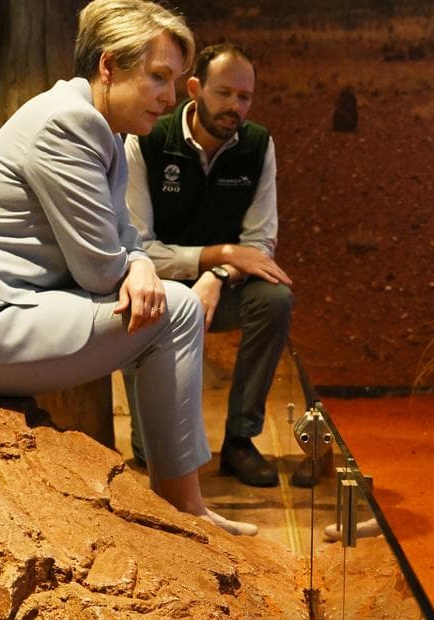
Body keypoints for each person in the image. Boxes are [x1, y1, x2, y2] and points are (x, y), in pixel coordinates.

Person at [0, 0, 256, 536]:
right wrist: (136, 265)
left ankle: (181, 503)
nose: (171, 97)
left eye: (175, 81)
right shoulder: (68, 124)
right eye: (158, 77)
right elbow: (101, 268)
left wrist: (138, 262)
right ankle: (182, 507)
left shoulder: (108, 131)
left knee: (165, 302)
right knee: (175, 311)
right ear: (108, 67)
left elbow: (123, 238)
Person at [124, 43, 309, 489]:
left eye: (244, 97)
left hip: (223, 288)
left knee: (274, 298)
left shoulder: (258, 145)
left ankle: (240, 441)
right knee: (137, 300)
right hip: (159, 285)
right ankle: (151, 445)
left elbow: (260, 242)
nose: (235, 107)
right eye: (224, 93)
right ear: (194, 89)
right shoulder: (147, 139)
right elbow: (139, 247)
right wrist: (217, 256)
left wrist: (218, 275)